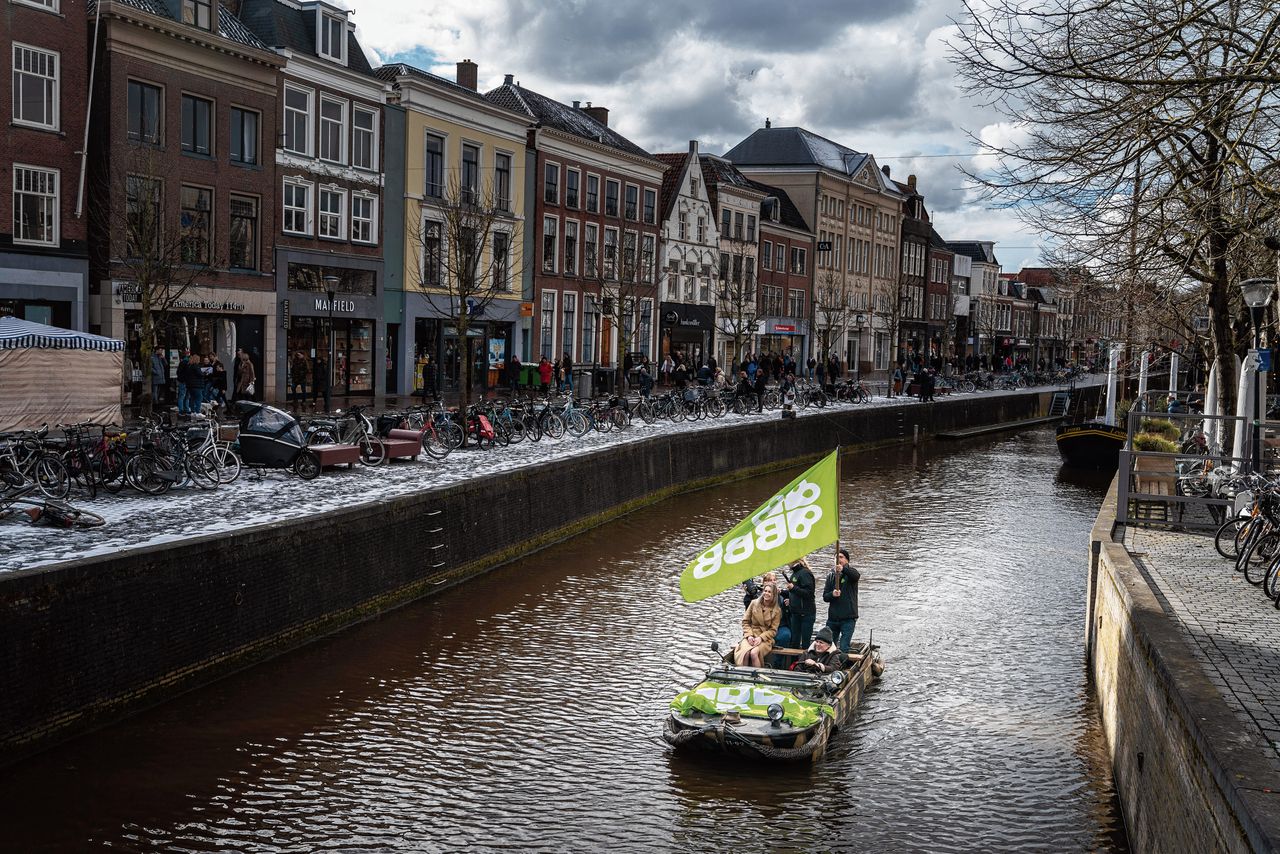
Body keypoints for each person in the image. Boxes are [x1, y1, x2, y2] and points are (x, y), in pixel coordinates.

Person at [734, 580, 781, 668]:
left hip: (765, 639)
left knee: (754, 652)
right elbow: (745, 622)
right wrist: (749, 636)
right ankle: (743, 677)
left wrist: (761, 638)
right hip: (751, 635)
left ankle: (757, 677)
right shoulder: (753, 603)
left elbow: (773, 630)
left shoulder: (777, 610)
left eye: (769, 592)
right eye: (765, 591)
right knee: (746, 653)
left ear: (774, 595)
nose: (766, 593)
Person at [823, 548, 861, 653]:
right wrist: (832, 594)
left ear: (847, 560)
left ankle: (843, 667)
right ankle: (829, 666)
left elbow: (856, 576)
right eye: (836, 557)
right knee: (829, 646)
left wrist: (843, 569)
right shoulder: (831, 576)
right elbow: (825, 597)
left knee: (844, 647)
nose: (838, 559)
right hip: (833, 618)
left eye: (841, 557)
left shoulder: (850, 573)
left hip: (848, 618)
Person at [786, 558, 816, 649]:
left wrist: (793, 588)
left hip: (806, 614)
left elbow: (809, 593)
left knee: (806, 643)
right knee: (794, 642)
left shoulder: (805, 573)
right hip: (795, 613)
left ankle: (806, 662)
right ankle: (794, 662)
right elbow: (794, 593)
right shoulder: (794, 573)